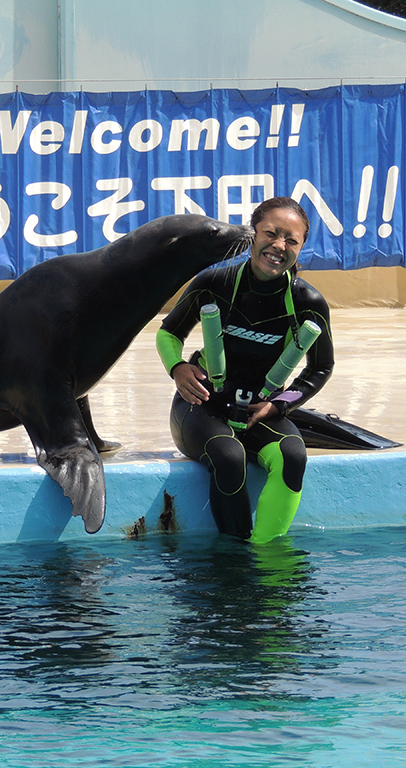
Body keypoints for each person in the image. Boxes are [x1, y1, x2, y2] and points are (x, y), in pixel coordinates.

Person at [155, 197, 334, 543]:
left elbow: (321, 368)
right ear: (253, 234)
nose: (279, 245)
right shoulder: (214, 283)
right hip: (201, 406)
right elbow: (169, 333)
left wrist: (279, 405)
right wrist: (177, 368)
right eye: (271, 233)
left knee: (292, 455)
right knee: (228, 455)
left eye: (291, 240)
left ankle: (267, 555)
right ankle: (234, 558)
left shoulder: (308, 303)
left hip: (260, 408)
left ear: (301, 247)